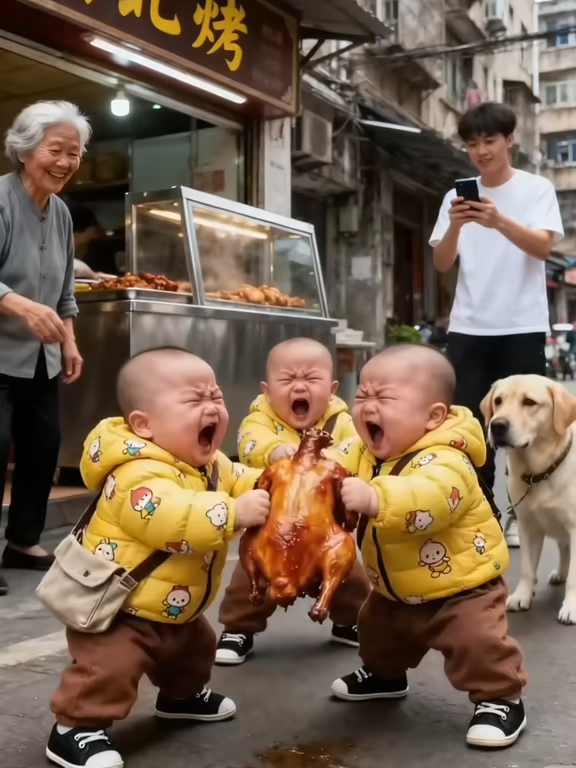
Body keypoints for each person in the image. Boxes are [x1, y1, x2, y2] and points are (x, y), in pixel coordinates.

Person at [47, 347, 270, 768]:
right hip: (121, 610)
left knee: (194, 652)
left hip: (176, 608)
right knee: (107, 669)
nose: (212, 408)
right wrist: (233, 513)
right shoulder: (136, 473)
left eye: (216, 397)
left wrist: (285, 482)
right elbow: (171, 519)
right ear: (143, 425)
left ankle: (181, 697)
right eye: (194, 400)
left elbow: (244, 478)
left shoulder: (209, 463)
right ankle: (74, 727)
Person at [329, 345, 527, 749]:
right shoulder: (362, 449)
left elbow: (429, 501)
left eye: (383, 397)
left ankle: (500, 698)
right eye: (362, 395)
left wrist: (375, 499)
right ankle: (384, 675)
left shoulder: (447, 459)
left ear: (433, 416)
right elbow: (329, 464)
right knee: (378, 633)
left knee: (478, 644)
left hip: (462, 588)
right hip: (393, 588)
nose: (368, 406)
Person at [430, 102, 564, 548]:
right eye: (472, 144)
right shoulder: (455, 198)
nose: (481, 151)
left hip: (522, 326)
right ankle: (481, 513)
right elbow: (442, 262)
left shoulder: (536, 189)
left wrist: (499, 220)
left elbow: (543, 247)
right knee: (470, 427)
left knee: (526, 428)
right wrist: (454, 227)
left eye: (490, 141)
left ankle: (526, 513)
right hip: (469, 328)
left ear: (509, 140)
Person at [216, 338, 371, 665]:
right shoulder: (260, 419)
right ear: (268, 390)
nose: (299, 386)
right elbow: (250, 443)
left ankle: (351, 620)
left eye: (311, 380)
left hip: (324, 529)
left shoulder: (341, 423)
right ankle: (238, 628)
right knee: (250, 578)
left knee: (350, 579)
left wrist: (324, 459)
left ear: (331, 389)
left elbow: (357, 448)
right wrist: (274, 452)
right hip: (273, 529)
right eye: (287, 380)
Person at [0, 101, 89, 596]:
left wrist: (70, 342)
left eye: (73, 154)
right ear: (25, 148)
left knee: (43, 446)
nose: (65, 162)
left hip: (42, 358)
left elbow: (63, 293)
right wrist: (21, 307)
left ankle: (23, 540)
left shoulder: (60, 214)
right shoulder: (1, 199)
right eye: (56, 150)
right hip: (0, 353)